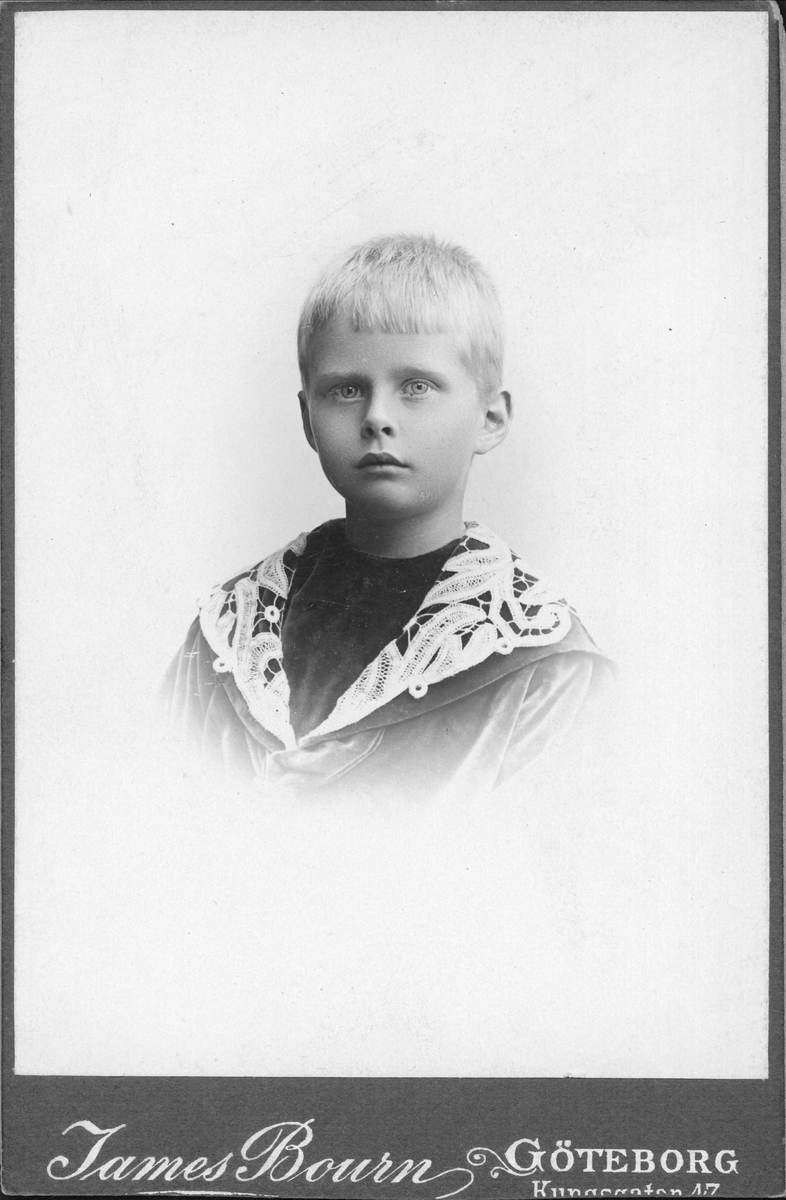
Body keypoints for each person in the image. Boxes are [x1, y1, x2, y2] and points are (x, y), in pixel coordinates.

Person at [163, 234, 612, 798]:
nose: (377, 417)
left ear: (490, 418)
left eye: (417, 387)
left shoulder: (546, 666)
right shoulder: (227, 634)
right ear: (307, 419)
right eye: (346, 390)